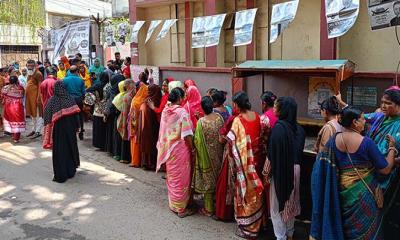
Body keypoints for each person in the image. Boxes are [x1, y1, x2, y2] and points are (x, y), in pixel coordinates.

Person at [310, 106, 398, 240]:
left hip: (343, 194)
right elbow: (385, 169)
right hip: (365, 195)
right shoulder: (366, 143)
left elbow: (321, 165)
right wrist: (392, 147)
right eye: (362, 119)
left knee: (346, 231)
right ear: (355, 122)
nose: (365, 122)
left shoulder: (334, 140)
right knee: (367, 232)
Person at [336, 87, 400, 237]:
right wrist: (341, 103)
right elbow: (359, 116)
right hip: (367, 172)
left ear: (398, 105)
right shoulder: (380, 117)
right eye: (382, 102)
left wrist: (393, 160)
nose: (383, 106)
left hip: (385, 177)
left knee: (375, 212)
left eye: (388, 103)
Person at [264, 97, 305, 240]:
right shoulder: (299, 129)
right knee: (291, 203)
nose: (274, 109)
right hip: (296, 171)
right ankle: (290, 233)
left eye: (276, 107)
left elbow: (272, 155)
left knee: (277, 206)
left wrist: (265, 173)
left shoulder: (278, 129)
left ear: (283, 110)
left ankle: (280, 236)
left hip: (282, 170)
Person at [225, 91, 264, 238]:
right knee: (256, 190)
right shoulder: (256, 116)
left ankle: (248, 228)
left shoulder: (238, 120)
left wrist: (233, 163)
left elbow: (232, 142)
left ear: (237, 104)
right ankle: (259, 223)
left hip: (245, 162)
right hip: (257, 159)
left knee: (245, 191)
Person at [156, 87, 195, 218]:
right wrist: (193, 148)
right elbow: (187, 134)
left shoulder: (166, 110)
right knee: (182, 178)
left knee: (173, 176)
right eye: (183, 97)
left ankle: (174, 204)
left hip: (168, 148)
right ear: (179, 98)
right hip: (180, 150)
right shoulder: (181, 112)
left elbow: (164, 130)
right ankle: (181, 209)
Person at [192, 96, 225, 217]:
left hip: (206, 157)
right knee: (218, 178)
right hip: (219, 154)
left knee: (208, 181)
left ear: (202, 108)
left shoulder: (201, 122)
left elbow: (197, 140)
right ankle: (218, 203)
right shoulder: (219, 118)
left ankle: (209, 209)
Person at [43, 81, 81, 183]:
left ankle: (60, 175)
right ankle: (70, 171)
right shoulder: (70, 99)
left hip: (58, 131)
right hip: (70, 130)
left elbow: (46, 115)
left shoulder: (52, 101)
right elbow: (77, 115)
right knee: (70, 148)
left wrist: (47, 127)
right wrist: (77, 127)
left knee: (60, 151)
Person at [138, 84, 162, 170]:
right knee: (151, 145)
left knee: (146, 145)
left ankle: (145, 163)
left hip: (144, 129)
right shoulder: (154, 101)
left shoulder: (145, 100)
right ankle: (151, 164)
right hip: (151, 128)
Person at [85, 72, 110, 151]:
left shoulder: (97, 85)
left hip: (98, 109)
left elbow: (88, 90)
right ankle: (107, 144)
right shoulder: (109, 86)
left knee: (98, 127)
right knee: (106, 127)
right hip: (107, 109)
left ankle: (99, 144)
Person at [129, 73, 149, 167]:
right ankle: (138, 161)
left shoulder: (135, 100)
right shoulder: (145, 98)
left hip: (135, 124)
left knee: (135, 142)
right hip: (141, 124)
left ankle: (135, 161)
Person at [62, 65, 86, 140]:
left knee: (69, 116)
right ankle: (81, 132)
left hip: (69, 100)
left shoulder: (65, 80)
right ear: (77, 71)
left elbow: (63, 91)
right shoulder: (80, 80)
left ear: (70, 71)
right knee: (80, 116)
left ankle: (70, 132)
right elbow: (83, 92)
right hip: (78, 99)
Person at [1, 76, 25, 142]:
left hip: (8, 107)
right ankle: (16, 138)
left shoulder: (5, 88)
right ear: (17, 80)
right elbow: (22, 95)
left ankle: (12, 134)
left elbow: (2, 96)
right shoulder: (20, 88)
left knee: (10, 120)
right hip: (18, 107)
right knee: (17, 122)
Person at [117, 79, 136, 164]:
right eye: (133, 84)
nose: (135, 86)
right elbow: (125, 111)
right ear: (129, 85)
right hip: (127, 120)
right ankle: (125, 158)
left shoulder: (131, 95)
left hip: (130, 119)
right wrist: (124, 123)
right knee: (125, 137)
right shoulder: (127, 96)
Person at [25, 59, 44, 139]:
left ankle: (38, 131)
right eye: (28, 65)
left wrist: (39, 98)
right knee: (32, 115)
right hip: (29, 98)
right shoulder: (29, 73)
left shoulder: (38, 73)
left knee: (38, 115)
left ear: (34, 65)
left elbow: (40, 86)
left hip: (36, 98)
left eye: (31, 66)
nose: (29, 67)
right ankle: (34, 129)